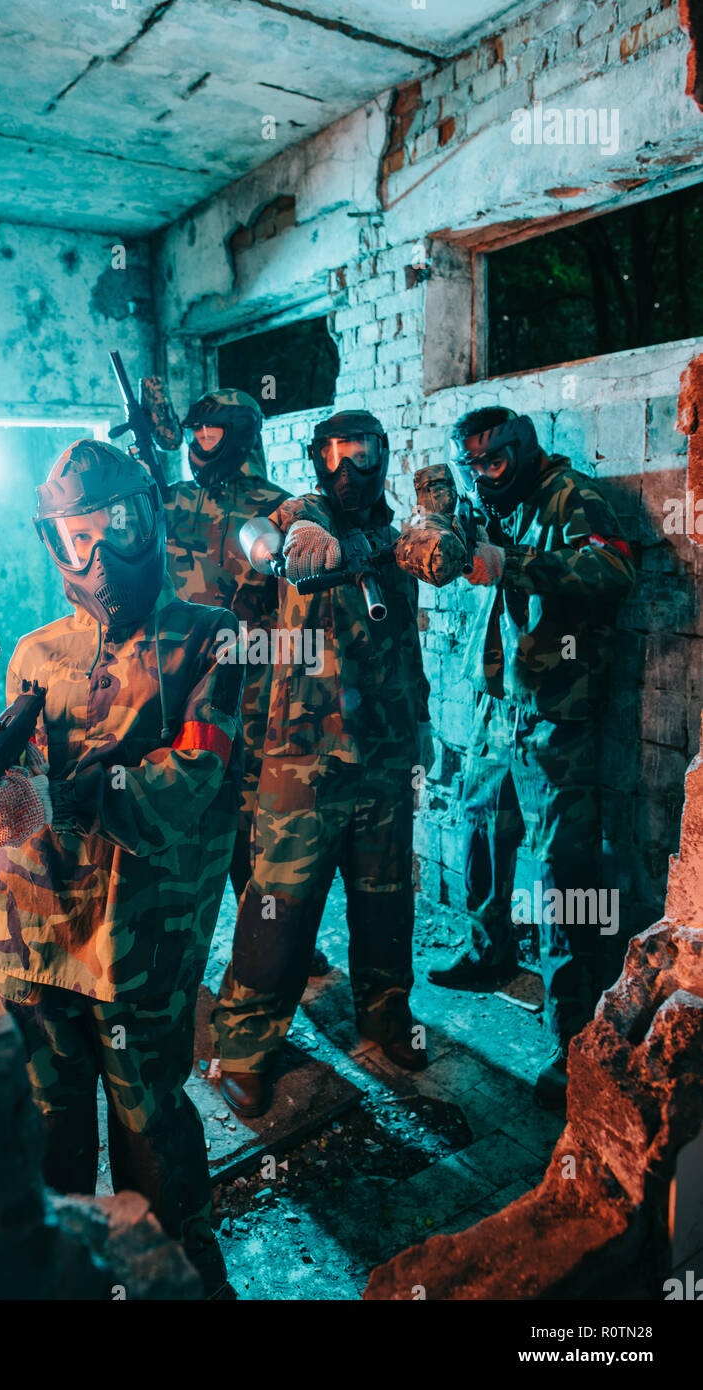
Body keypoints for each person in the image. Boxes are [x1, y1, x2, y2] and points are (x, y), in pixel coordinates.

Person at [0, 439, 244, 1297]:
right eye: (73, 538)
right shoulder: (37, 652)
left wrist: (64, 795)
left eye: (113, 528)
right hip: (22, 935)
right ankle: (61, 1280)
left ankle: (182, 1280)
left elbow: (191, 780)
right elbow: (19, 783)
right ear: (52, 544)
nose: (95, 556)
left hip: (138, 942)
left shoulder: (210, 636)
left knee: (150, 1124)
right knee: (44, 1134)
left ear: (147, 519)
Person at [395, 407, 636, 1108]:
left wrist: (515, 564)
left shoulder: (571, 495)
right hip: (497, 700)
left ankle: (573, 1040)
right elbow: (451, 543)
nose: (483, 476)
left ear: (522, 451)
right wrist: (434, 532)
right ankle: (486, 948)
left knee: (565, 871)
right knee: (477, 824)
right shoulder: (484, 499)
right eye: (473, 466)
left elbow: (613, 567)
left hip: (557, 707)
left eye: (494, 463)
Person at [211, 410, 433, 1117]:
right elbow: (264, 541)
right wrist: (297, 536)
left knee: (384, 900)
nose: (348, 469)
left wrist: (421, 731)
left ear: (382, 455)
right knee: (278, 912)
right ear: (314, 460)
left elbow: (405, 647)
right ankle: (241, 1053)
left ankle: (385, 1016)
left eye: (362, 453)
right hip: (301, 760)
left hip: (386, 755)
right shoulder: (299, 516)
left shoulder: (400, 543)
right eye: (334, 455)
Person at [165, 389, 330, 975]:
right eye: (194, 434)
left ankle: (274, 943)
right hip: (181, 686)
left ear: (237, 435)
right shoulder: (170, 501)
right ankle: (176, 945)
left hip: (258, 689)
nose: (200, 445)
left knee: (260, 824)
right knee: (183, 808)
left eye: (211, 434)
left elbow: (303, 606)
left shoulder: (277, 507)